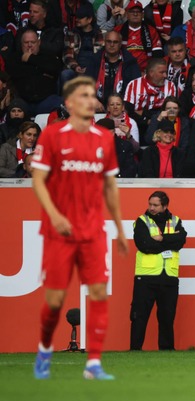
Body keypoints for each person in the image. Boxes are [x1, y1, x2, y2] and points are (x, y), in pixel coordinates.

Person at [31, 76, 129, 380]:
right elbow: (37, 179)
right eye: (84, 95)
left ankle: (94, 363)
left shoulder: (104, 138)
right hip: (59, 230)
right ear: (70, 102)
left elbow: (110, 187)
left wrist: (119, 228)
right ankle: (45, 347)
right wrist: (53, 214)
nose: (92, 100)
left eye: (93, 95)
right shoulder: (51, 135)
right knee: (56, 300)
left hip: (92, 230)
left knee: (98, 292)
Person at [131, 191, 187, 350]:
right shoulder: (142, 221)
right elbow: (144, 244)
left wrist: (162, 239)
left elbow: (181, 240)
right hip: (146, 277)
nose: (151, 208)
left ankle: (167, 350)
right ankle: (135, 349)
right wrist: (170, 241)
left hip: (169, 277)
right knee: (139, 316)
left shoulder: (175, 221)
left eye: (155, 205)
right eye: (150, 204)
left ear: (165, 206)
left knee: (167, 317)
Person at [5, 29, 63, 117]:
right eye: (26, 42)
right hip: (23, 102)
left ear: (39, 42)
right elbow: (14, 72)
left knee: (62, 103)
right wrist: (40, 70)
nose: (29, 45)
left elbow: (56, 68)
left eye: (33, 42)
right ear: (21, 44)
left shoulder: (48, 56)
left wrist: (30, 58)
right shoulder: (14, 58)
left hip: (46, 101)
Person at [87, 31, 142, 109]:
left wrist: (123, 105)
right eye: (109, 41)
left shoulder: (130, 62)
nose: (112, 45)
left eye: (115, 42)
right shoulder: (95, 60)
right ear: (104, 42)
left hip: (122, 106)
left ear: (120, 44)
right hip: (97, 105)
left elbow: (136, 88)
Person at [124, 58, 177, 129]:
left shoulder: (171, 86)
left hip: (161, 126)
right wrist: (146, 121)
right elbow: (129, 111)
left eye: (166, 72)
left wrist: (144, 113)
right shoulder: (133, 85)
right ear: (151, 73)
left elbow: (170, 111)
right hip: (138, 126)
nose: (165, 76)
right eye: (162, 72)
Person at [60, 4, 105, 89]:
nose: (77, 20)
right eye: (77, 17)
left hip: (93, 69)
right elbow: (67, 55)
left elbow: (101, 55)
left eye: (80, 17)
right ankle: (65, 101)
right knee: (65, 74)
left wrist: (89, 68)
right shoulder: (71, 34)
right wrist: (76, 67)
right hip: (75, 69)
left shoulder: (100, 34)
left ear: (89, 19)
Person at [116, 1, 164, 72]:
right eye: (132, 11)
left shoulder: (151, 31)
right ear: (127, 14)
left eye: (138, 12)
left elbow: (157, 55)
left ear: (142, 14)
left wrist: (149, 72)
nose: (135, 14)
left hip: (145, 72)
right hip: (123, 71)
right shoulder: (118, 31)